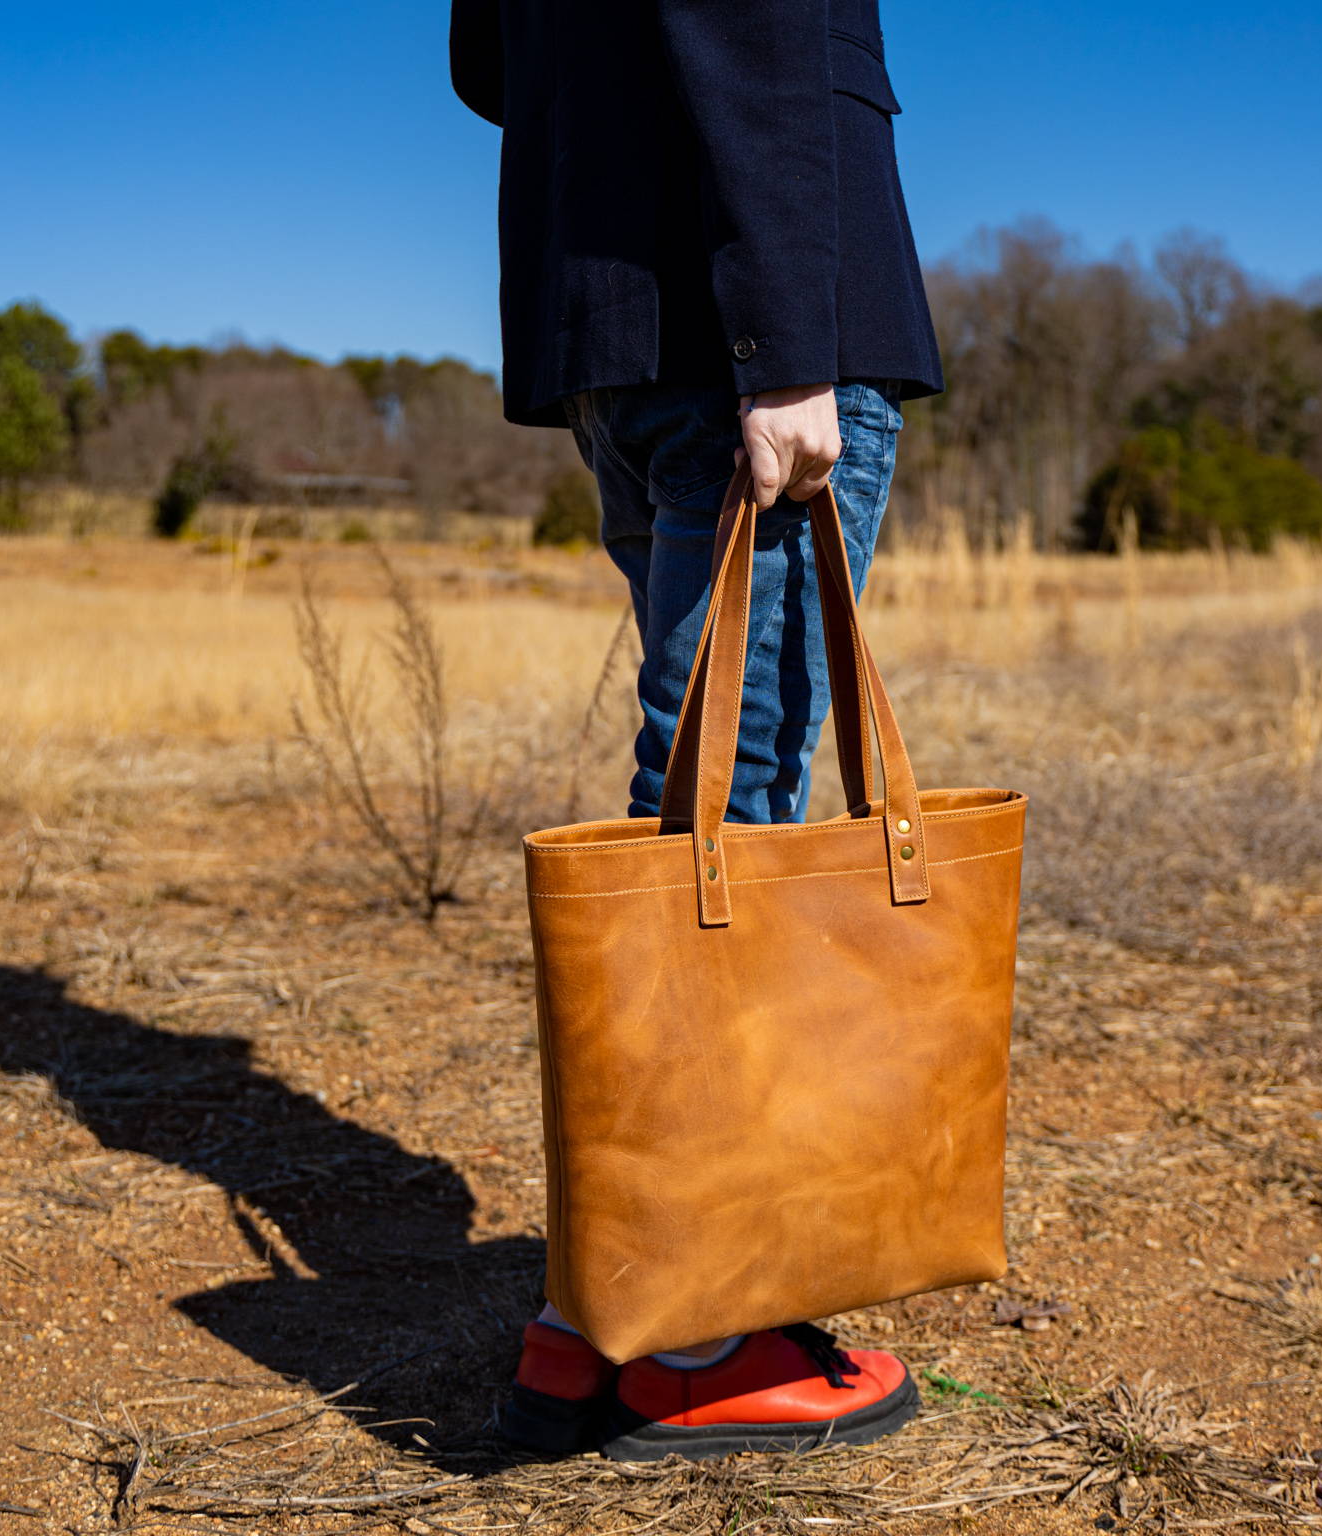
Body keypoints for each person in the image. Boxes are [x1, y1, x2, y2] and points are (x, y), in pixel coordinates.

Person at [449, 0, 942, 1460]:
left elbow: (491, 56)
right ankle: (709, 1339)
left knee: (690, 817)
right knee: (726, 829)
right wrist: (785, 336)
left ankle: (602, 1302)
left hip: (612, 313)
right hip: (751, 325)